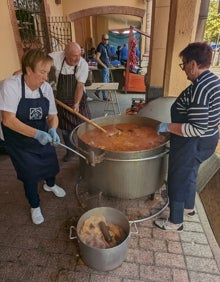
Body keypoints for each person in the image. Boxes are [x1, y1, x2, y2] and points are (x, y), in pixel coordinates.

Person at [154, 42, 220, 232]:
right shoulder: (213, 81)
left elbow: (196, 128)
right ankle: (188, 207)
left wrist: (167, 126)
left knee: (177, 177)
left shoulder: (201, 88)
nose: (183, 70)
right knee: (190, 174)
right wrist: (172, 130)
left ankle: (175, 221)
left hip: (193, 142)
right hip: (208, 140)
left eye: (183, 65)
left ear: (193, 64)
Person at [0, 49, 66, 225]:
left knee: (51, 162)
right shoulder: (11, 86)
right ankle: (34, 205)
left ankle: (50, 185)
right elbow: (8, 120)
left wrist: (53, 129)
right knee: (29, 173)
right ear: (28, 70)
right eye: (42, 72)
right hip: (18, 140)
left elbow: (53, 115)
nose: (46, 77)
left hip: (42, 133)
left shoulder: (45, 88)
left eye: (48, 72)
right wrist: (37, 134)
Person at [49, 42, 91, 162]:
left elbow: (79, 85)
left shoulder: (82, 64)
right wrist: (24, 71)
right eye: (74, 56)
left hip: (79, 100)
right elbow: (40, 63)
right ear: (65, 54)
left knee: (84, 127)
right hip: (62, 101)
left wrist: (76, 103)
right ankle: (70, 151)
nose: (77, 58)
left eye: (79, 55)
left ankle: (87, 150)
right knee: (65, 130)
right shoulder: (55, 57)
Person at [95, 34, 112, 101]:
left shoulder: (107, 46)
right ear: (102, 39)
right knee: (105, 82)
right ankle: (105, 97)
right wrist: (104, 65)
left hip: (107, 66)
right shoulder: (100, 46)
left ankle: (97, 92)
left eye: (107, 39)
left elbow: (108, 56)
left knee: (105, 81)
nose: (106, 41)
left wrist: (109, 63)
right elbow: (97, 58)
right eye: (105, 39)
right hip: (103, 68)